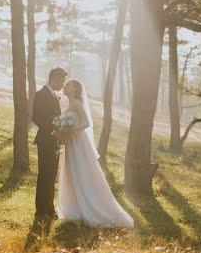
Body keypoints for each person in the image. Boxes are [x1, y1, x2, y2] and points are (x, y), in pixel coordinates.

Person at [56, 78, 134, 228]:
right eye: (65, 85)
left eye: (68, 85)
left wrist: (72, 129)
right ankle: (75, 208)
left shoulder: (77, 103)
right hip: (71, 143)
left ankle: (91, 207)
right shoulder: (70, 103)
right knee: (71, 173)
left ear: (76, 89)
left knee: (80, 172)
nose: (65, 87)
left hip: (78, 143)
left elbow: (86, 123)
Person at [32, 67, 68, 221]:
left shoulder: (53, 95)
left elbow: (53, 118)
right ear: (54, 78)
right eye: (62, 80)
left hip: (54, 142)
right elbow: (37, 117)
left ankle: (49, 209)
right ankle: (41, 211)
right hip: (46, 140)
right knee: (45, 176)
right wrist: (54, 132)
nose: (63, 84)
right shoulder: (41, 94)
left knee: (51, 176)